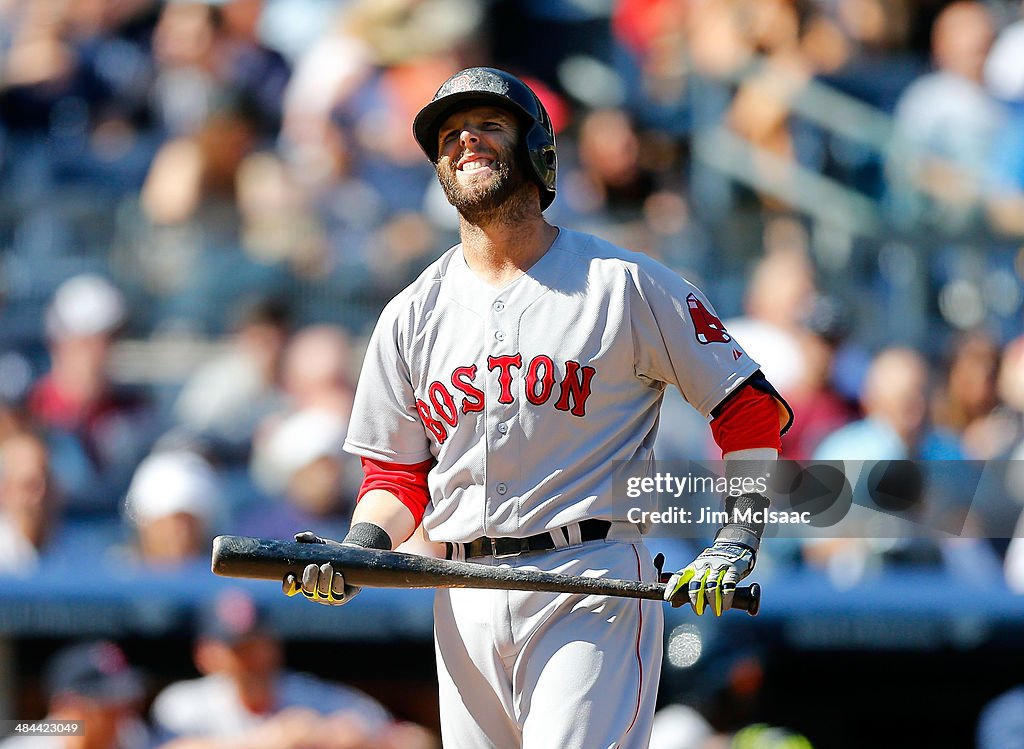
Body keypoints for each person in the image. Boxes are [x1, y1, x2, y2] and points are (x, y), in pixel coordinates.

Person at [282, 67, 791, 749]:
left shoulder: (623, 284)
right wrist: (359, 550)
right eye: (451, 135)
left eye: (489, 126)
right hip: (461, 588)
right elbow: (395, 480)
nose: (467, 141)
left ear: (537, 152)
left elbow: (747, 408)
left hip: (592, 579)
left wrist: (737, 537)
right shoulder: (408, 314)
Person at [151, 588, 391, 744]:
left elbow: (412, 738)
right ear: (205, 655)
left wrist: (332, 734)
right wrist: (270, 739)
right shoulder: (184, 703)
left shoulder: (308, 696)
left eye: (258, 645)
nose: (253, 660)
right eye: (239, 650)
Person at [0, 640, 152, 749]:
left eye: (125, 701)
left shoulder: (133, 737)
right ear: (66, 704)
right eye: (107, 703)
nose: (121, 712)